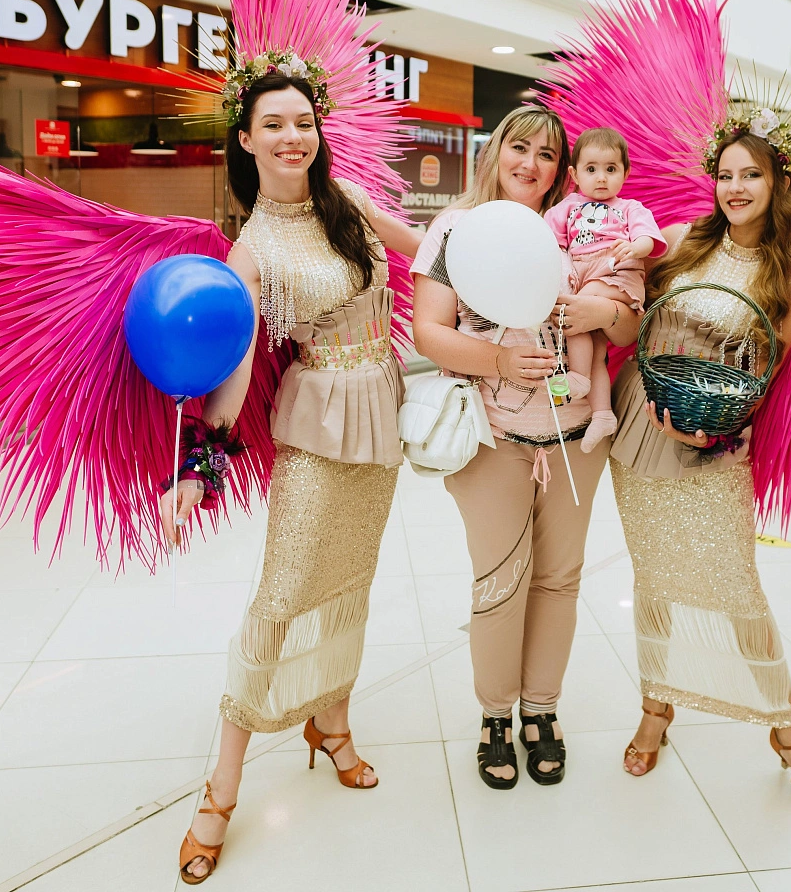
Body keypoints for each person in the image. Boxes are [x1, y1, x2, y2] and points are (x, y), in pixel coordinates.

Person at [160, 72, 422, 884]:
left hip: (379, 411)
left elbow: (429, 254)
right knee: (281, 597)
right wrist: (197, 467)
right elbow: (235, 368)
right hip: (316, 424)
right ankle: (220, 789)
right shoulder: (251, 251)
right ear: (244, 140)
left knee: (350, 581)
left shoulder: (349, 204)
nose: (290, 137)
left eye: (301, 121)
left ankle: (331, 726)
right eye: (271, 124)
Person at [412, 105, 639, 790]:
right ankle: (494, 715)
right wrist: (500, 361)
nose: (530, 164)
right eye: (519, 147)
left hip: (577, 439)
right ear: (494, 152)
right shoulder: (456, 229)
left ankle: (541, 709)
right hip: (492, 440)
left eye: (546, 154)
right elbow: (428, 331)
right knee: (500, 582)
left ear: (561, 170)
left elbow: (627, 325)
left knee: (559, 580)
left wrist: (607, 311)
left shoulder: (580, 229)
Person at [609, 128, 791, 814]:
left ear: (777, 184)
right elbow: (632, 311)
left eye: (750, 175)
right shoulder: (682, 240)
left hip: (716, 440)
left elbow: (770, 374)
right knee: (653, 577)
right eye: (726, 175)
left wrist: (716, 431)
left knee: (738, 589)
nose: (734, 188)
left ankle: (789, 737)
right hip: (639, 423)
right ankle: (656, 709)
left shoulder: (785, 277)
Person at [543, 127, 665, 451]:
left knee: (574, 312)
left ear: (625, 172)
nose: (601, 177)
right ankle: (602, 413)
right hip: (583, 276)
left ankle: (578, 377)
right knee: (595, 345)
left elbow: (647, 237)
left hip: (616, 271)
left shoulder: (629, 207)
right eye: (591, 169)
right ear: (574, 174)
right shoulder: (567, 207)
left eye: (611, 169)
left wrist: (635, 247)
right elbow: (547, 241)